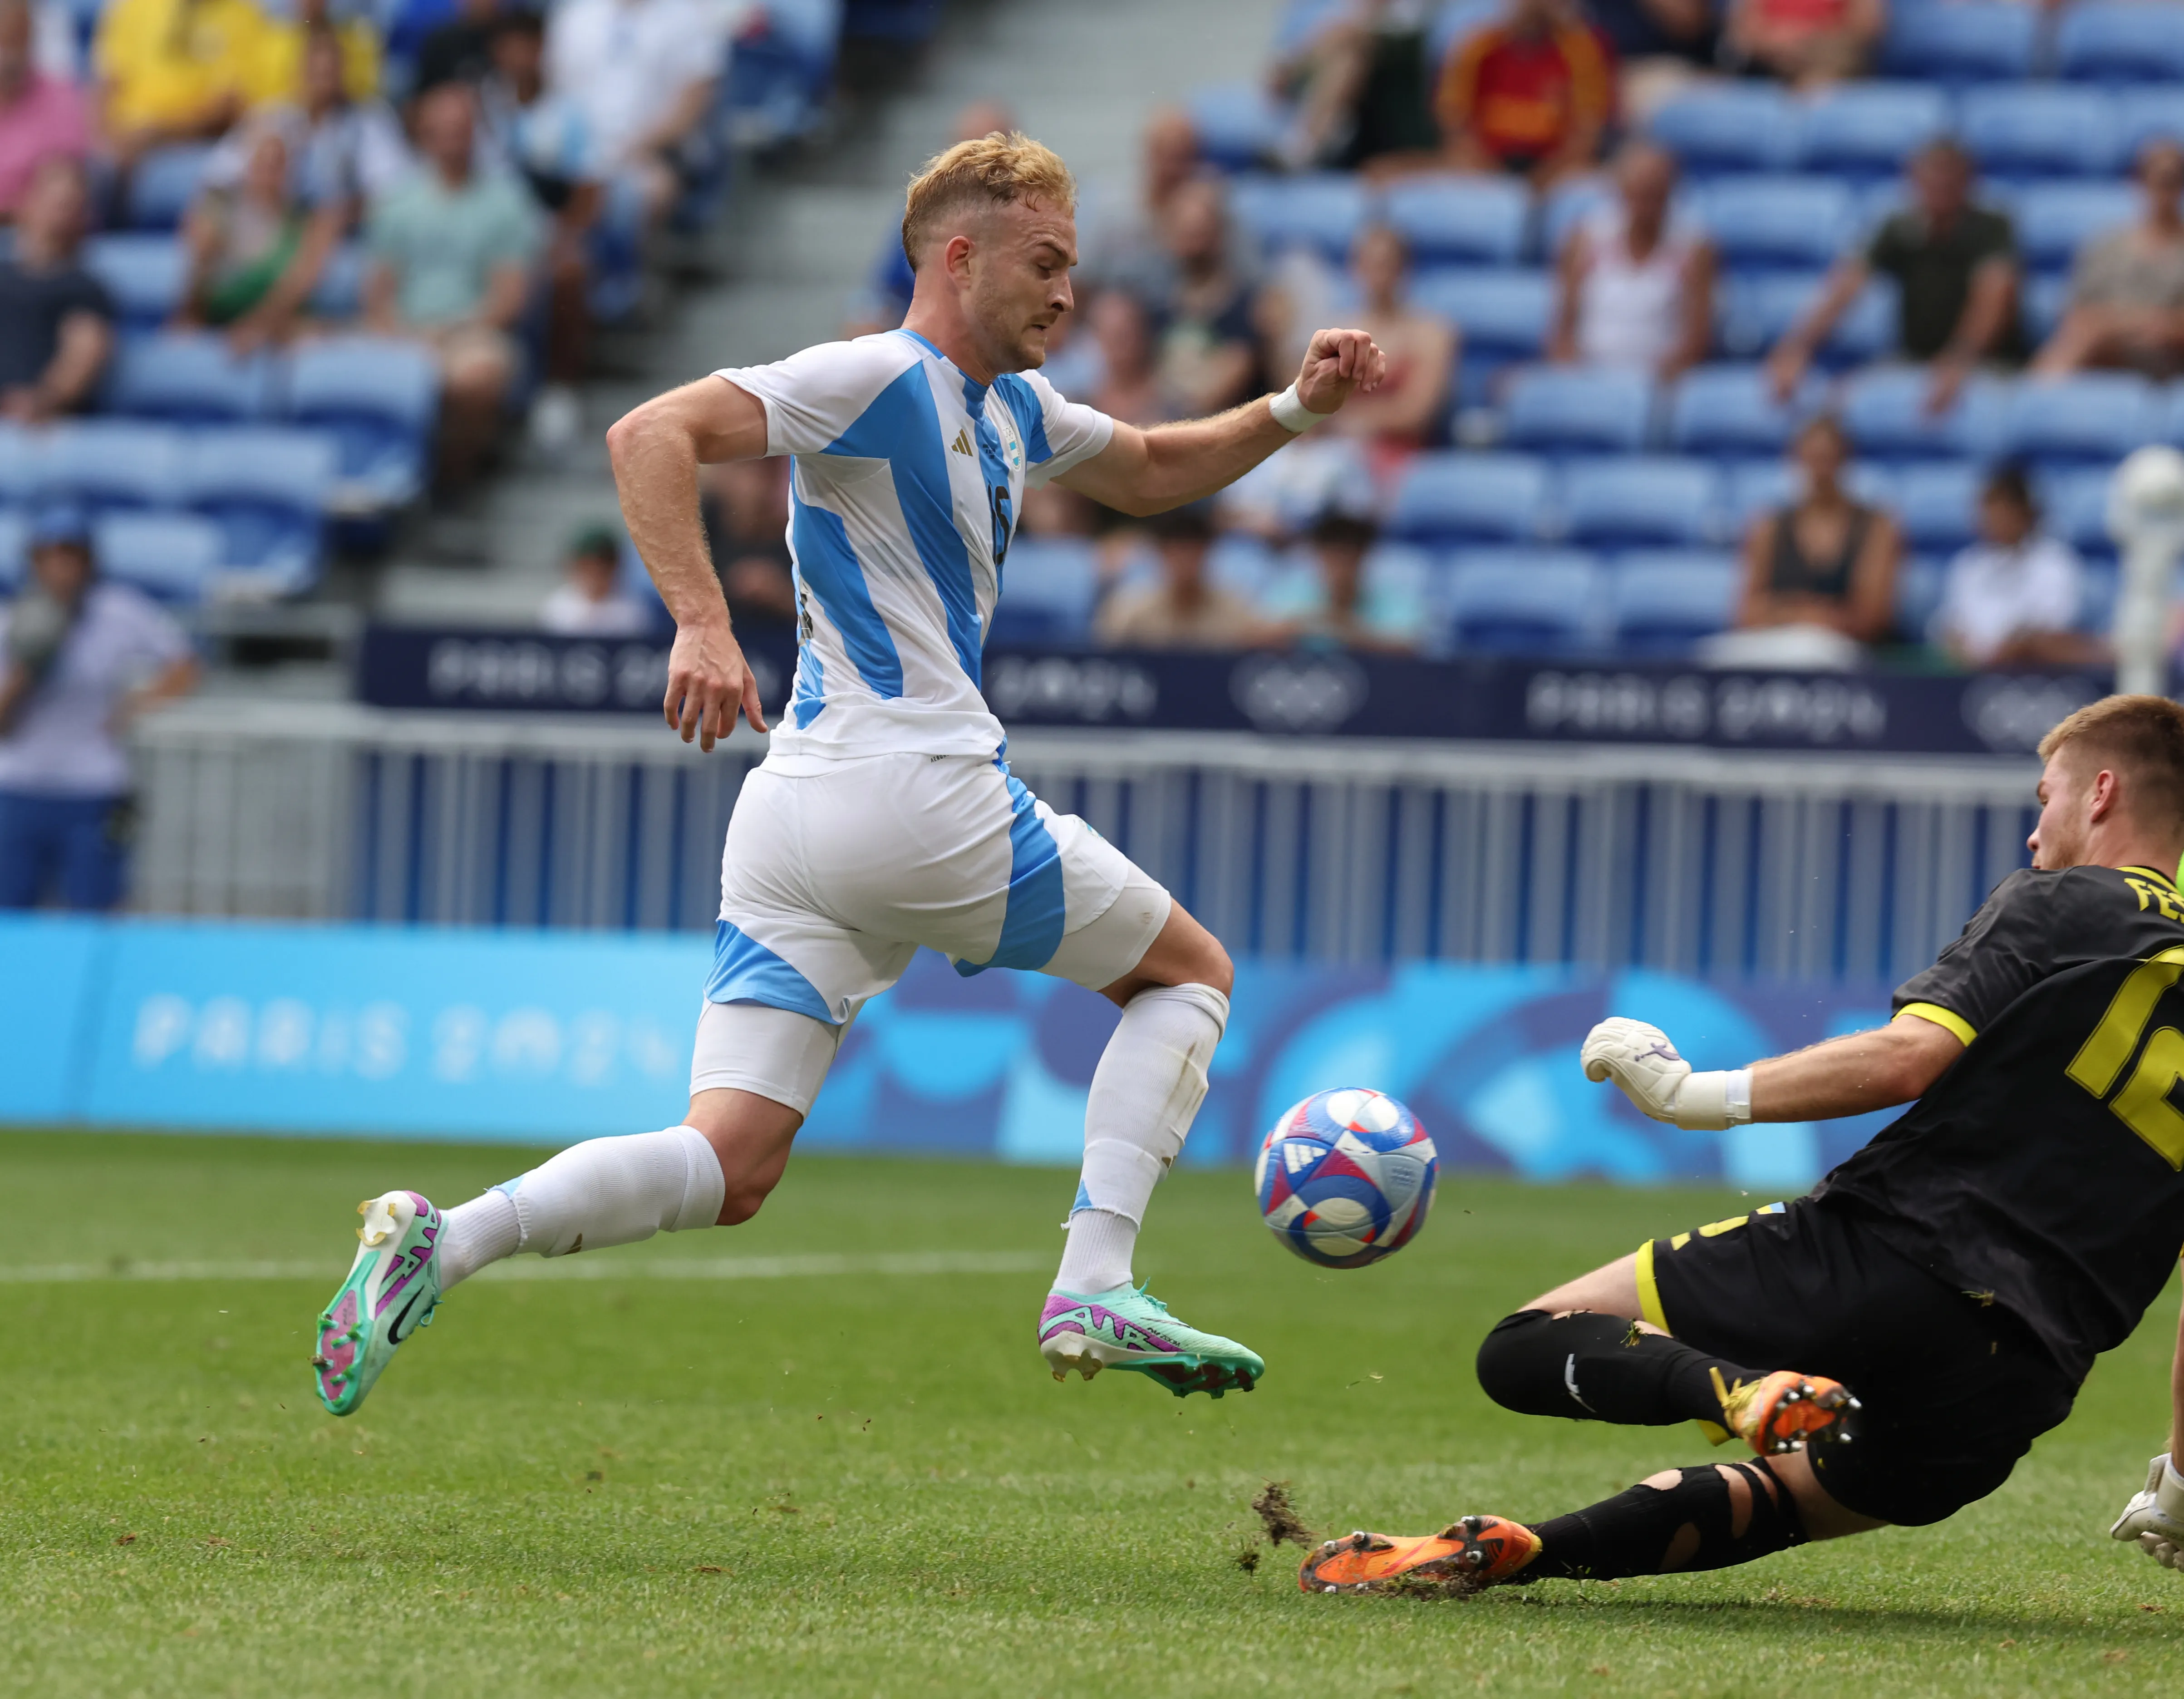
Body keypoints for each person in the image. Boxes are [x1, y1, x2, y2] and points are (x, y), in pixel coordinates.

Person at [308, 130, 1387, 1420]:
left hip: (793, 816)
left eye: (1075, 269)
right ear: (959, 254)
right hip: (914, 789)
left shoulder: (1013, 409)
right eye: (1046, 264)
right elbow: (651, 430)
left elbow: (1152, 471)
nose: (1067, 293)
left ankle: (450, 1236)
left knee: (731, 1158)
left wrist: (1291, 410)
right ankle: (1094, 1275)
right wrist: (702, 622)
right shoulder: (877, 375)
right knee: (1188, 973)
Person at [1301, 694, 2184, 1598]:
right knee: (1795, 1497)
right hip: (2025, 1372)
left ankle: (1735, 1390)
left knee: (1523, 1343)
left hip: (1891, 1256)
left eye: (2045, 797)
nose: (2035, 833)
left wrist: (1696, 1095)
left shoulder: (2068, 900)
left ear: (2102, 790)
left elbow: (1910, 1056)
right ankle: (1528, 1548)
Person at [0, 505, 198, 911]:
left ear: (89, 561)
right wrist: (26, 672)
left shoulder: (118, 611)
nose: (61, 567)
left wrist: (138, 704)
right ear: (35, 562)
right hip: (19, 787)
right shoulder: (11, 620)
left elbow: (185, 663)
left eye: (70, 555)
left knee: (97, 910)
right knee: (11, 914)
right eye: (51, 555)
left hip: (95, 787)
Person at [360, 80, 541, 492]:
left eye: (461, 128)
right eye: (441, 129)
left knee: (476, 377)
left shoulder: (504, 201)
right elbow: (378, 290)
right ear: (424, 134)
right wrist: (399, 333)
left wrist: (451, 330)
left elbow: (510, 296)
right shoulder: (396, 201)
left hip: (470, 331)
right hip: (403, 329)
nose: (451, 140)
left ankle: (453, 480)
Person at [1767, 139, 2020, 411]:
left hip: (1986, 364)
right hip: (1911, 360)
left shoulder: (1992, 229)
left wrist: (1960, 360)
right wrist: (1798, 349)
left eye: (1949, 178)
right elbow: (1847, 286)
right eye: (1932, 177)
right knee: (1842, 399)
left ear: (1969, 181)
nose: (1939, 187)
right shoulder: (1900, 229)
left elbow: (1994, 296)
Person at [479, 7, 601, 450]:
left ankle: (559, 387)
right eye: (510, 48)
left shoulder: (567, 112)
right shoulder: (481, 110)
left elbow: (588, 191)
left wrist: (564, 237)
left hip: (544, 235)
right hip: (488, 236)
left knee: (569, 273)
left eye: (528, 47)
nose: (519, 58)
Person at [1725, 415, 1899, 665]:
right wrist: (1807, 614)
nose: (1819, 471)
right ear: (1795, 460)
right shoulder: (1768, 527)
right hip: (1773, 644)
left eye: (1827, 460)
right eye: (1812, 459)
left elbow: (1871, 617)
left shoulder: (1876, 528)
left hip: (1844, 652)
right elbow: (1745, 613)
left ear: (1845, 461)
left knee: (1810, 653)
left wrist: (1786, 612)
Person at [543, 0, 721, 228]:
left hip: (652, 152)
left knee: (636, 197)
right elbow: (555, 89)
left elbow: (694, 100)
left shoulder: (688, 18)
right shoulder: (576, 14)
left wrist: (638, 147)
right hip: (578, 147)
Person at [1549, 140, 1714, 383]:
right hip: (1587, 377)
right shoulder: (1585, 241)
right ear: (1620, 191)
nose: (1645, 207)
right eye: (1638, 194)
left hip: (1658, 384)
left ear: (1670, 192)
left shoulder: (1694, 250)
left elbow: (1697, 341)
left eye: (1654, 195)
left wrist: (1648, 389)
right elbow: (1563, 330)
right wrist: (1575, 378)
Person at [176, 115, 335, 348]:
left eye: (277, 164)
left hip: (278, 328)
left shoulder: (310, 221)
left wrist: (257, 326)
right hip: (218, 326)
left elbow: (296, 286)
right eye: (262, 162)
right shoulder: (218, 210)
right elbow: (196, 282)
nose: (268, 174)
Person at [2034, 140, 2184, 382]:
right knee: (2083, 337)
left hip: (2165, 359)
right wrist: (2137, 323)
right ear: (2138, 181)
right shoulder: (2105, 246)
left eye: (2173, 180)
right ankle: (2036, 398)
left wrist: (2117, 324)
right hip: (2102, 349)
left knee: (2088, 339)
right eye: (2156, 179)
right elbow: (2074, 316)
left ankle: (2034, 396)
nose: (2164, 190)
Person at [1314, 226, 1454, 475]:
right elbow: (1309, 398)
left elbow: (1417, 413)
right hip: (1333, 450)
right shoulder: (1333, 331)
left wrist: (1351, 421)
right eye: (1369, 265)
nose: (1378, 276)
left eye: (1387, 265)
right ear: (1355, 268)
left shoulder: (1432, 334)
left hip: (1398, 458)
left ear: (1405, 269)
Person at [1432, 0, 1611, 187]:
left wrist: (1541, 180)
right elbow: (1455, 125)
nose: (1531, 5)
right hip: (1485, 171)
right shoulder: (1476, 46)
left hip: (1555, 176)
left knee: (1586, 190)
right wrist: (1494, 176)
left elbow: (1586, 134)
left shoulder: (1579, 50)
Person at [1933, 466, 2092, 669]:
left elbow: (2056, 629)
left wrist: (2015, 645)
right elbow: (1950, 625)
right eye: (1990, 510)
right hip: (1970, 673)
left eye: (2004, 511)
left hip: (2035, 674)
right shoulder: (1968, 564)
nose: (1994, 520)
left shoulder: (2056, 562)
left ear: (2024, 512)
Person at [0, 156, 111, 421]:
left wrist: (41, 401)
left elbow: (84, 354)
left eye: (70, 205)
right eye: (52, 200)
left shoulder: (84, 288)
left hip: (33, 422)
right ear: (26, 203)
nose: (59, 212)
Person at [93, 0, 268, 165]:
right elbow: (107, 84)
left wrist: (160, 133)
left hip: (190, 142)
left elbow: (226, 110)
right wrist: (110, 143)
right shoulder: (137, 6)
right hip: (127, 138)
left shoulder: (242, 18)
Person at [1153, 175, 1260, 419]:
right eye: (1184, 233)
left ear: (1218, 234)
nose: (1192, 246)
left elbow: (1227, 384)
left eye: (1199, 233)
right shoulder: (1155, 305)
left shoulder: (1245, 308)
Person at [1095, 504, 1269, 649]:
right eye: (1177, 553)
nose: (1185, 562)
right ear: (1161, 554)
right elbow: (1106, 656)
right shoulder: (1131, 607)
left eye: (1192, 552)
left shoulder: (1234, 607)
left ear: (1206, 553)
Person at [1264, 510, 1422, 652]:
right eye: (1332, 555)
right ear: (1319, 555)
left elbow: (1409, 648)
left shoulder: (1394, 600)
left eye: (1349, 556)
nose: (1340, 566)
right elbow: (1258, 637)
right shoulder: (1290, 592)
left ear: (1363, 557)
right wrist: (1304, 624)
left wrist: (1346, 628)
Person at [0, 0, 89, 222]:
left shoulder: (59, 96)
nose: (8, 54)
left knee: (60, 196)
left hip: (31, 231)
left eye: (16, 39)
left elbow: (65, 176)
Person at [698, 458, 798, 635]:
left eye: (766, 472)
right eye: (745, 468)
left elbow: (823, 616)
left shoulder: (795, 534)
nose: (754, 483)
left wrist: (781, 594)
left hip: (779, 646)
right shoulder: (701, 525)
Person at [1721, 0, 1883, 88]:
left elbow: (1865, 28)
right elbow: (1743, 31)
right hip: (1769, 60)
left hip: (1830, 58)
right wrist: (1780, 42)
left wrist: (1806, 39)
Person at [539, 522, 650, 635]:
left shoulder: (632, 610)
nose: (596, 571)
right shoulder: (558, 607)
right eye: (588, 564)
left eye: (603, 564)